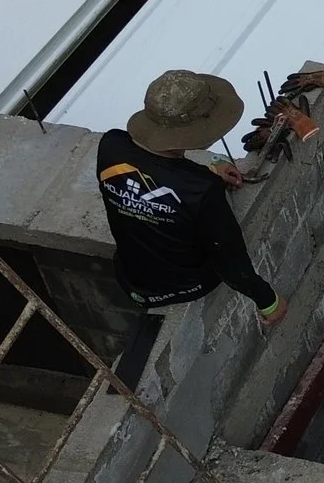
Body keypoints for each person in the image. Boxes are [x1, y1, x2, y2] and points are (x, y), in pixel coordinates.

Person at [98, 70, 282, 385]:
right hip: (188, 284)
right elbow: (232, 264)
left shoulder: (111, 146)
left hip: (131, 278)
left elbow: (159, 168)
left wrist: (208, 169)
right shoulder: (201, 191)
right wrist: (269, 302)